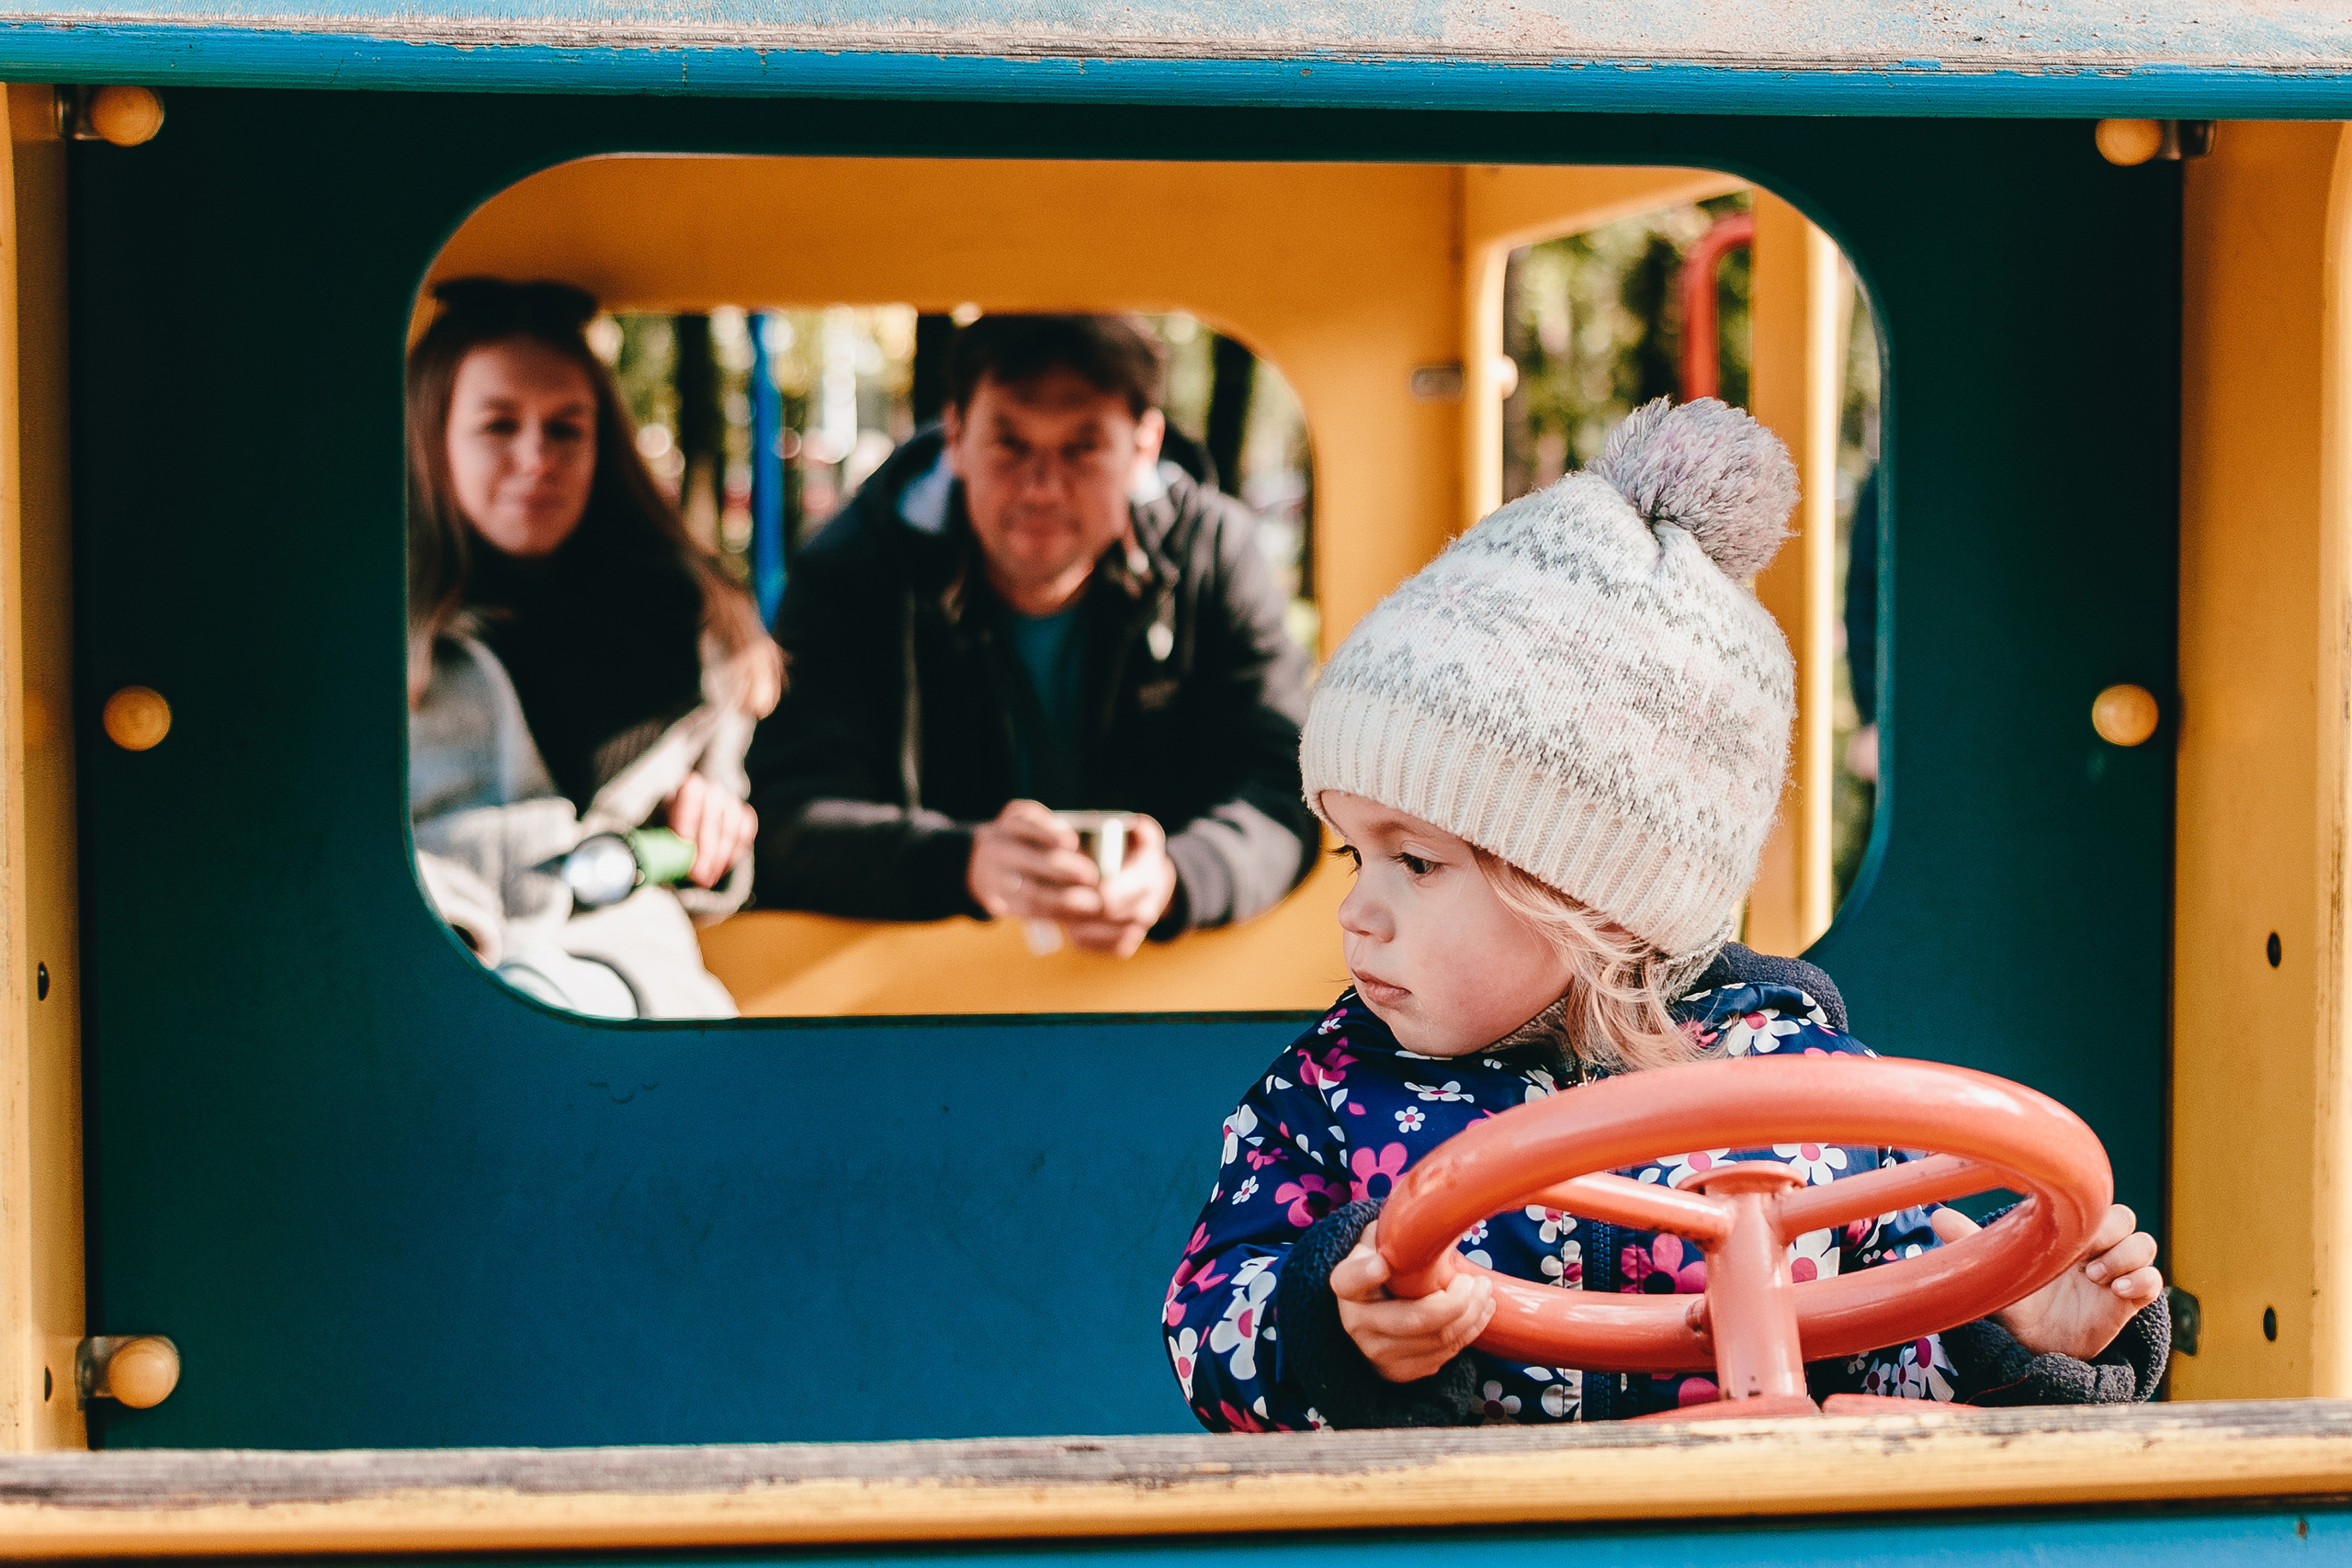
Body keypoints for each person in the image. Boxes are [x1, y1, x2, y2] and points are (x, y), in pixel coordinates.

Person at [1165, 399, 2169, 1430]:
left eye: (1415, 862)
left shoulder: (1820, 1102)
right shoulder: (1330, 1096)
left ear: (1597, 894)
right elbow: (1208, 1322)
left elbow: (1893, 1359)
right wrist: (1343, 1325)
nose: (1356, 916)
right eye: (1353, 854)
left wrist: (2018, 1331)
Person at [745, 314, 1319, 958]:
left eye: (1082, 447)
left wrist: (1180, 878)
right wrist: (961, 864)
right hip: (919, 1001)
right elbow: (784, 815)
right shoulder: (857, 569)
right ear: (955, 437)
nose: (1043, 486)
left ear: (1144, 447)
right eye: (1010, 444)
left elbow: (1286, 788)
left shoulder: (1213, 555)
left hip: (1166, 993)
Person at [406, 277, 783, 1017]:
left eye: (565, 427)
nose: (535, 456)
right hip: (420, 970)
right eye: (498, 424)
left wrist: (712, 831)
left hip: (618, 972)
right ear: (432, 437)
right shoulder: (368, 625)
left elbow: (718, 849)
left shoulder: (694, 618)